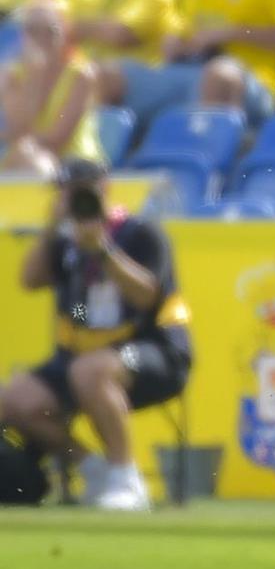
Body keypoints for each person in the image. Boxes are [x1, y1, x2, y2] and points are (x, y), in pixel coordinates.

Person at [0, 157, 191, 513]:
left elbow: (147, 296)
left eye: (80, 193)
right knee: (15, 400)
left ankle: (127, 477)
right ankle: (94, 468)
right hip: (83, 352)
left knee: (90, 370)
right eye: (65, 193)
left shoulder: (138, 234)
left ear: (104, 190)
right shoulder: (65, 243)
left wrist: (102, 249)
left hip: (151, 350)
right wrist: (52, 226)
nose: (72, 200)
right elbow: (30, 280)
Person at [1, 0, 101, 176]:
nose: (42, 38)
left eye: (50, 31)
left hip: (76, 165)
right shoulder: (12, 75)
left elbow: (57, 139)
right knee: (25, 154)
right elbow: (21, 127)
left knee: (26, 154)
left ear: (64, 35)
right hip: (30, 158)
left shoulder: (81, 74)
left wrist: (13, 138)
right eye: (33, 31)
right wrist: (34, 78)